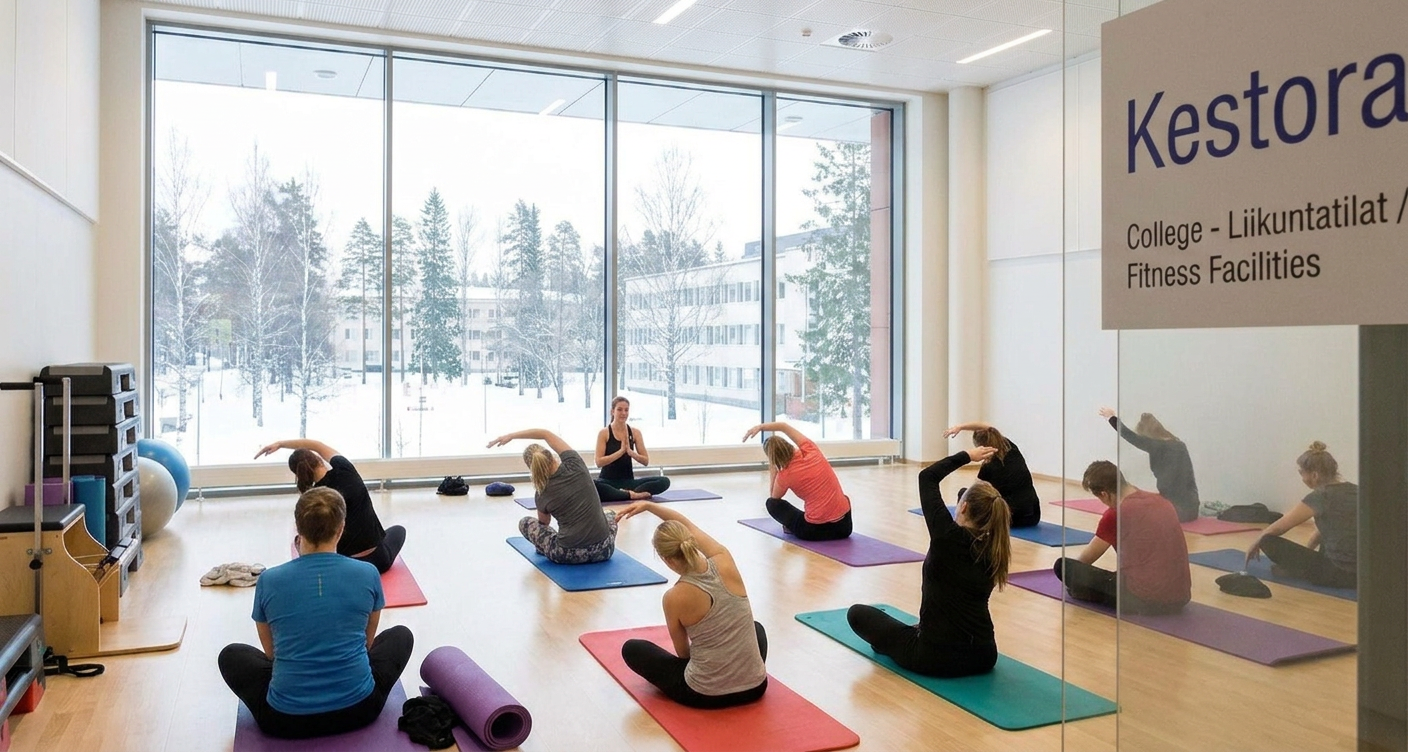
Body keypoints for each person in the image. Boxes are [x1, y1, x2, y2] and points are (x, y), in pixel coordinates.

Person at [218, 488, 413, 739]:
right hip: (361, 709)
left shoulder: (269, 580)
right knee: (401, 635)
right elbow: (367, 642)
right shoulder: (368, 573)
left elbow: (271, 654)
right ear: (342, 528)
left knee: (231, 655)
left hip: (284, 720)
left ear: (298, 528)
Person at [846, 446, 1010, 678]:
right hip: (984, 656)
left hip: (935, 657)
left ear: (963, 507)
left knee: (858, 614)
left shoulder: (947, 535)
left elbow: (927, 476)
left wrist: (967, 457)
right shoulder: (996, 547)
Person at [615, 501, 768, 709]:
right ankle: (741, 674)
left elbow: (684, 654)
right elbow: (686, 523)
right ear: (691, 542)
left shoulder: (674, 597)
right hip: (756, 687)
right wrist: (650, 506)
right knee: (756, 628)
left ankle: (717, 678)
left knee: (632, 649)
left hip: (705, 695)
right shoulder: (724, 560)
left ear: (666, 559)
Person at [1054, 460, 1191, 614]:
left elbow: (1086, 559)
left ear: (1104, 494)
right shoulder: (1162, 502)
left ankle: (1089, 593)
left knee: (1063, 566)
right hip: (1181, 596)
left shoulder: (1116, 514)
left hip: (1146, 598)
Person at [254, 438, 406, 574]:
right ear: (318, 459)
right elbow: (317, 445)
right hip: (378, 560)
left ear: (299, 474)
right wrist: (281, 444)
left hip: (345, 566)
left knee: (302, 539)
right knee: (399, 530)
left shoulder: (316, 498)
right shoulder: (345, 468)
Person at [488, 428, 619, 564]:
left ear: (532, 468)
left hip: (567, 555)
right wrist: (511, 435)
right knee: (610, 514)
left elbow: (544, 523)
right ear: (551, 456)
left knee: (525, 523)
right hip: (605, 550)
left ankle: (545, 548)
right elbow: (545, 434)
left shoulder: (541, 492)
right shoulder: (575, 463)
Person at [1245, 441, 1357, 589]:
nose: (1302, 479)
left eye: (1302, 473)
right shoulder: (1356, 490)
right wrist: (1308, 552)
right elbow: (1329, 528)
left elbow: (1280, 527)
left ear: (1314, 475)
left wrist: (1256, 541)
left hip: (1336, 575)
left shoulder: (1320, 496)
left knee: (1267, 540)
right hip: (1363, 573)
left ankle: (1299, 571)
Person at [741, 421, 852, 541]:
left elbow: (774, 499)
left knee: (771, 504)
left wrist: (773, 467)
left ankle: (793, 527)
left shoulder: (785, 475)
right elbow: (783, 426)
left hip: (813, 531)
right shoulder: (811, 449)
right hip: (845, 528)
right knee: (843, 498)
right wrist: (760, 427)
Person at [1098, 408, 1200, 522]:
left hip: (1176, 511)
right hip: (1192, 509)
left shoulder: (1157, 446)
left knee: (1134, 509)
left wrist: (1111, 418)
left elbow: (1130, 436)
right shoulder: (1179, 445)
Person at [944, 421, 1041, 527]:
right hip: (1034, 516)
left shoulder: (988, 466)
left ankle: (960, 523)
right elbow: (989, 429)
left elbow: (973, 494)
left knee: (963, 493)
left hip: (1009, 519)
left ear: (980, 447)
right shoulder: (1010, 446)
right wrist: (961, 427)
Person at [595, 397, 672, 503]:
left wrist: (631, 453)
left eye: (626, 410)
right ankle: (632, 495)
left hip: (629, 483)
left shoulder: (635, 433)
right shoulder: (604, 433)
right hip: (607, 482)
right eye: (619, 409)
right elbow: (599, 462)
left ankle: (628, 494)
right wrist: (620, 452)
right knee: (593, 485)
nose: (623, 413)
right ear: (612, 411)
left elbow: (645, 461)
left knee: (664, 481)